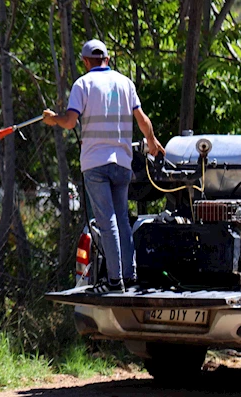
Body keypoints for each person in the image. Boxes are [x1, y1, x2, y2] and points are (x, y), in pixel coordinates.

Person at [42, 39, 163, 293]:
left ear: (86, 62)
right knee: (121, 219)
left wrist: (53, 119)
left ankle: (114, 281)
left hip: (95, 164)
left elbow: (70, 122)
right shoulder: (125, 83)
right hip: (122, 162)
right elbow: (142, 119)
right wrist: (152, 142)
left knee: (106, 222)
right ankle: (129, 276)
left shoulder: (82, 84)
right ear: (107, 59)